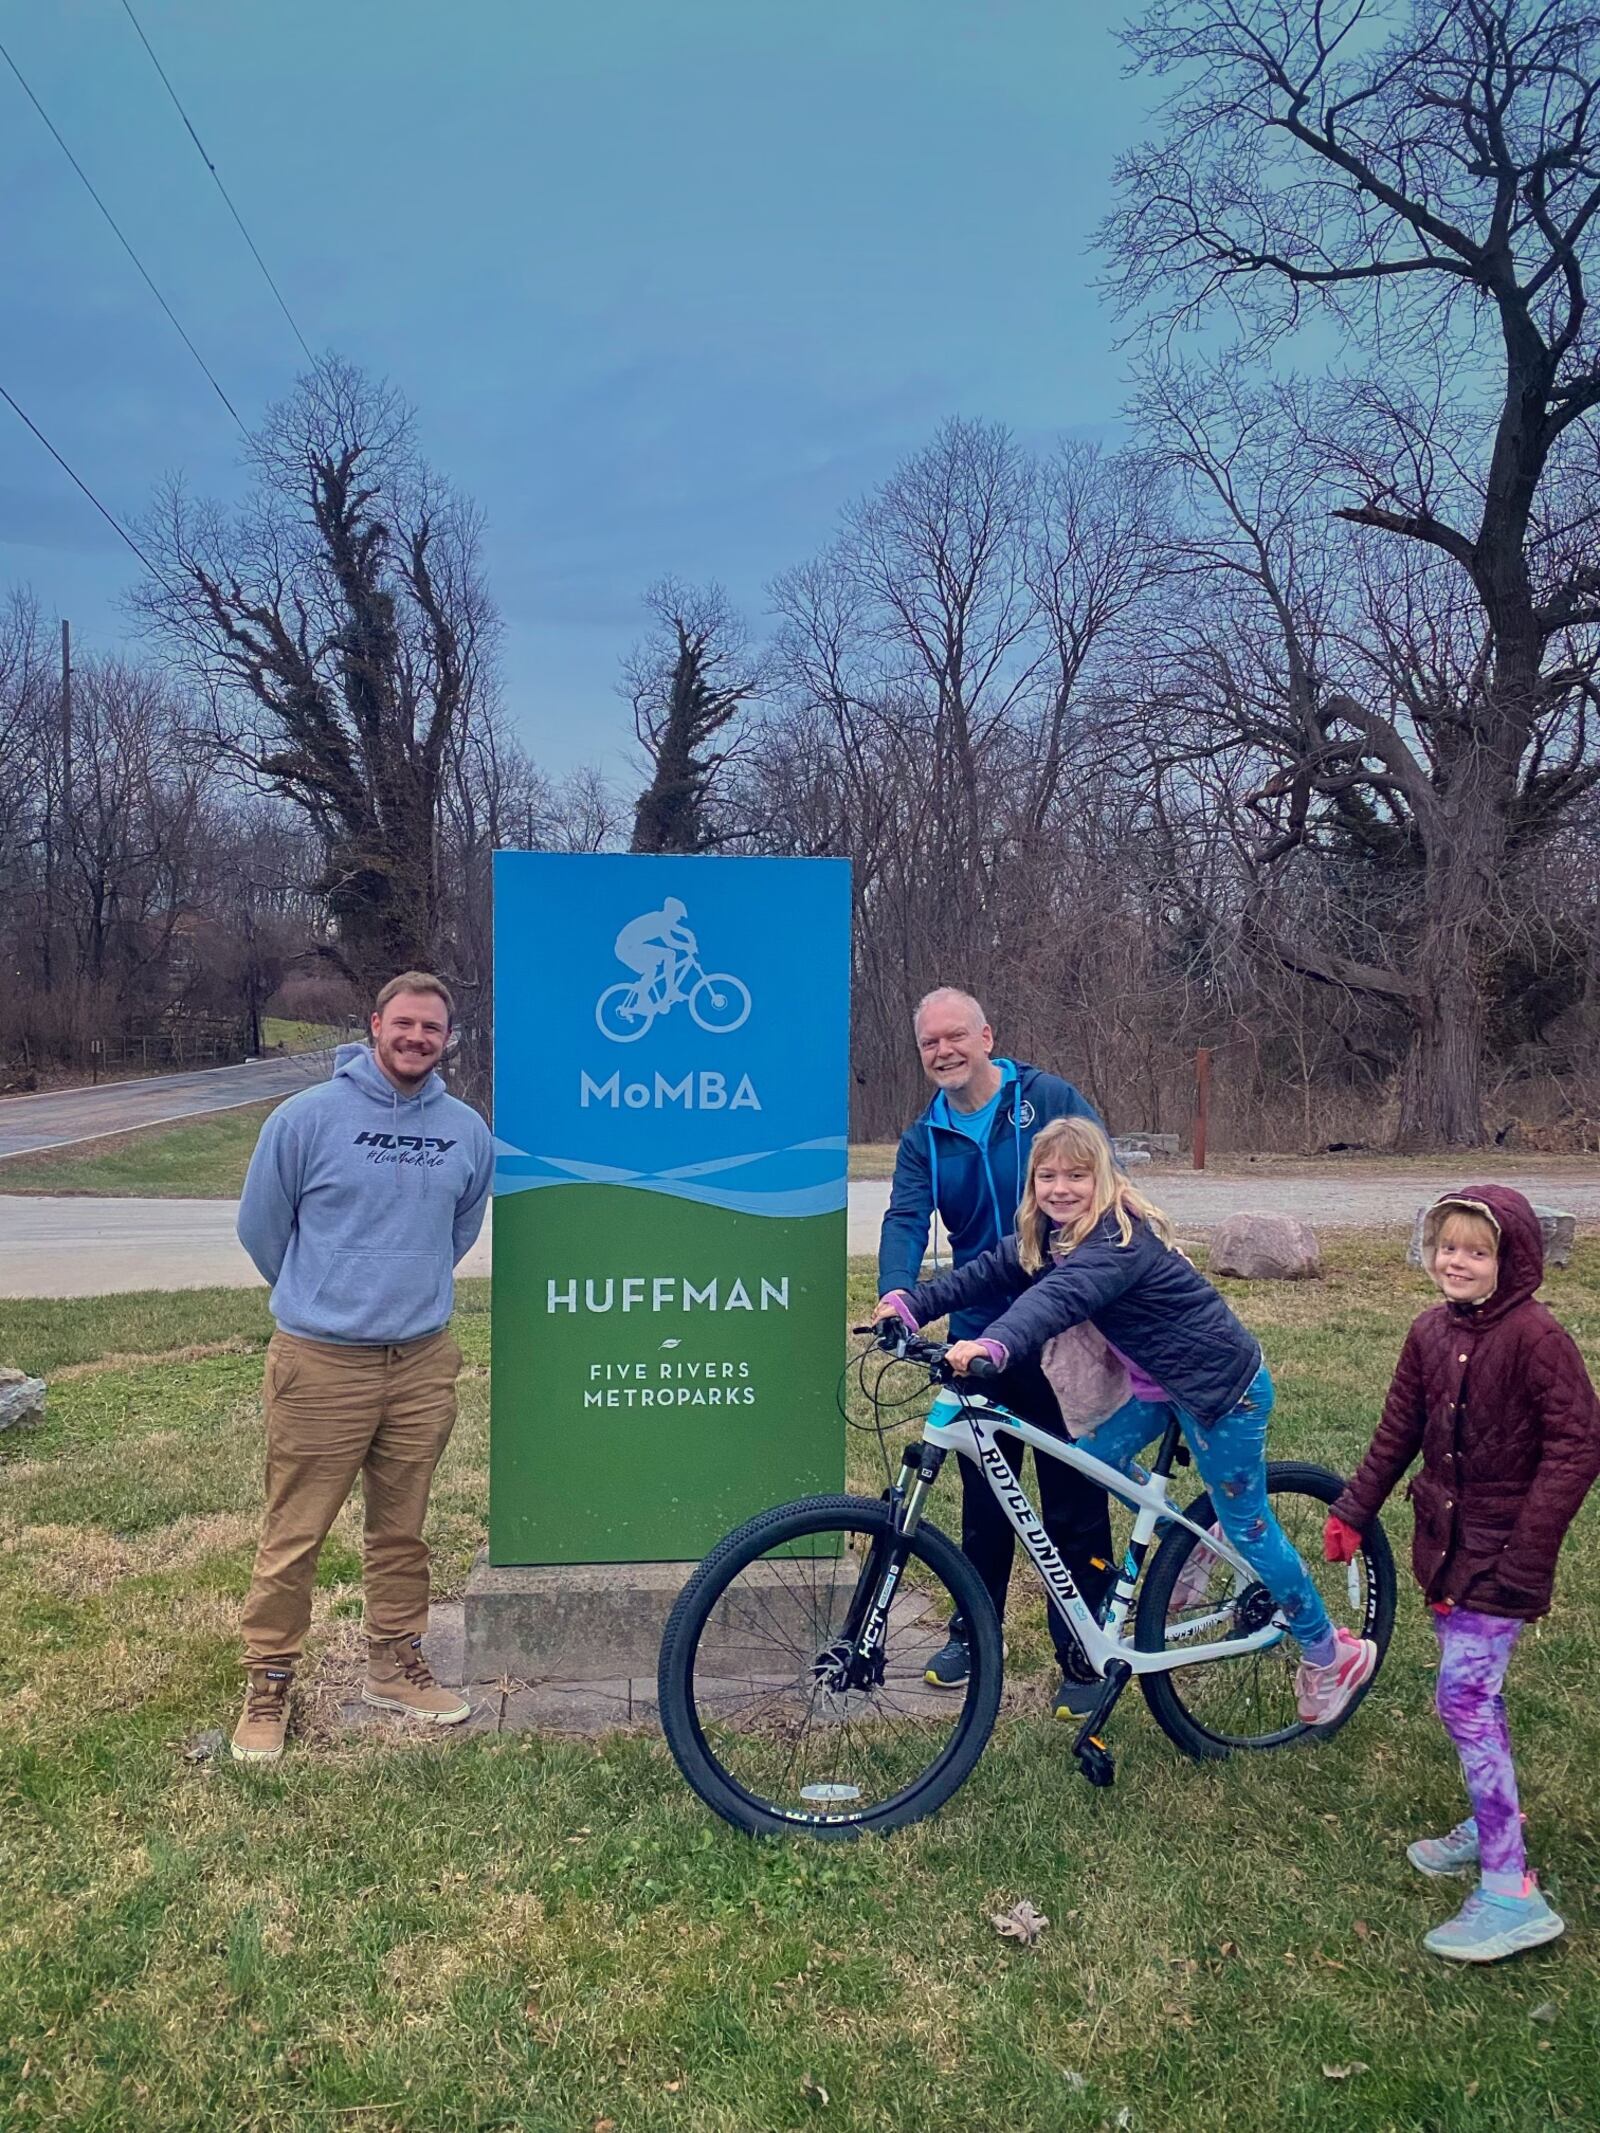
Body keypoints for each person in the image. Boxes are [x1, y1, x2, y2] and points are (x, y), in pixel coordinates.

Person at [877, 1114, 1378, 1729]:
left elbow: (1052, 1302)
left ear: (1105, 1179)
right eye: (1048, 1176)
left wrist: (994, 1345)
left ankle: (1329, 1650)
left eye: (1077, 1176)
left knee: (1250, 1526)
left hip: (1222, 1394)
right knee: (1085, 1459)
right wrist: (911, 1302)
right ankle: (1200, 1535)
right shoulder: (1054, 1235)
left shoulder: (1115, 1240)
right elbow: (986, 1272)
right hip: (1161, 1388)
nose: (1061, 1188)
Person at [1324, 1188, 1600, 1963]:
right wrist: (1354, 1507)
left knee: (1465, 1696)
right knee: (1471, 1693)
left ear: (1510, 1261)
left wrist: (1530, 1551)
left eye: (1476, 1251)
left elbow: (1579, 1446)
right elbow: (1397, 1431)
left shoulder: (1538, 1337)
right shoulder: (1428, 1333)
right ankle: (1489, 1822)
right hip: (1445, 1544)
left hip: (1504, 1553)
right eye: (1447, 1245)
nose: (1457, 1261)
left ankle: (1512, 1889)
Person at [230, 971, 495, 1763]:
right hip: (320, 1362)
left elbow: (458, 1228)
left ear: (448, 1039)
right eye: (404, 1023)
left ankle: (394, 1662)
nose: (417, 1038)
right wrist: (329, 1297)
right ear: (375, 1024)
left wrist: (399, 1295)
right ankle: (269, 1683)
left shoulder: (466, 1130)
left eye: (432, 1029)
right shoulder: (307, 1118)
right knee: (295, 1532)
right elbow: (261, 1231)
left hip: (420, 1362)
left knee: (401, 1529)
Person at [878, 992, 1109, 1715]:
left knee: (1073, 1499)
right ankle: (974, 1635)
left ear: (987, 1036)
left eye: (955, 1036)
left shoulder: (1046, 1099)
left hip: (1064, 1329)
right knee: (985, 1501)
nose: (943, 1051)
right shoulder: (925, 1138)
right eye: (928, 1044)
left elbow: (1104, 1185)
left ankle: (1083, 1649)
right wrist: (894, 1294)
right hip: (979, 1330)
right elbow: (906, 1216)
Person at [613, 896, 698, 1009]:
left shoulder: (663, 919)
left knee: (659, 963)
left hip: (631, 947)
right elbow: (670, 941)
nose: (678, 919)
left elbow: (681, 930)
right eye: (677, 916)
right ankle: (649, 998)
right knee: (664, 959)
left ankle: (667, 991)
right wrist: (687, 946)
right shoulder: (660, 920)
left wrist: (691, 939)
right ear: (671, 912)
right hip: (627, 948)